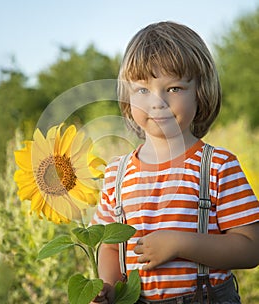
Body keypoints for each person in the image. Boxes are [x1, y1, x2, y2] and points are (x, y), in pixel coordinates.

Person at [91, 21, 259, 303]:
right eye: (142, 90)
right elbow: (109, 247)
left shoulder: (217, 166)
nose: (157, 102)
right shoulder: (117, 173)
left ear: (200, 91)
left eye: (174, 88)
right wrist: (107, 286)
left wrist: (180, 243)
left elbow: (251, 248)